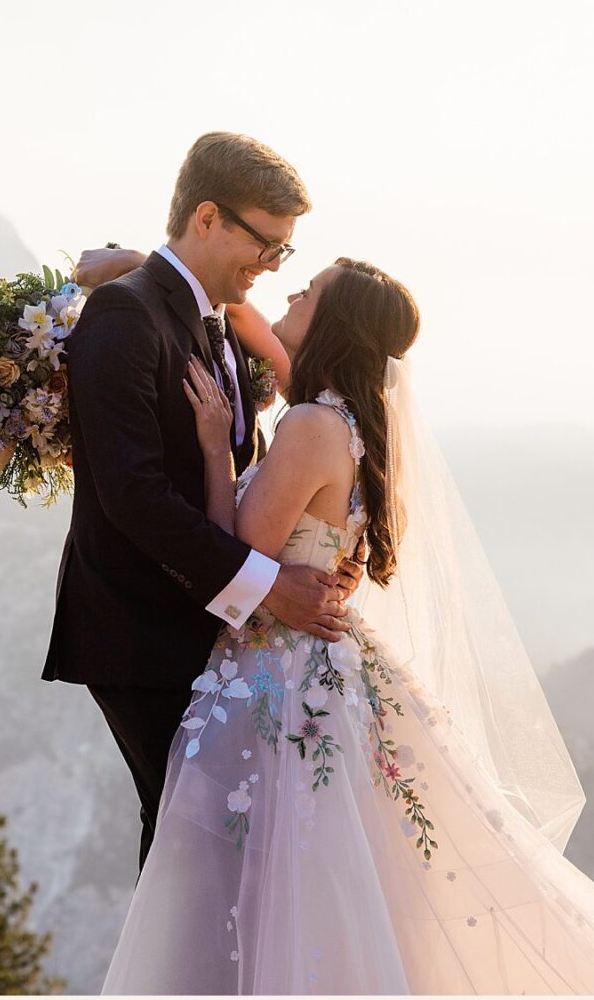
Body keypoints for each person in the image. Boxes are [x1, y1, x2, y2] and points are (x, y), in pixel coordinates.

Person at [96, 256, 594, 995]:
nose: (291, 292)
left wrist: (211, 445)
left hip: (274, 678)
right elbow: (243, 320)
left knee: (243, 885)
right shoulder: (354, 420)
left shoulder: (309, 424)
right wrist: (143, 266)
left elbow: (237, 550)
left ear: (334, 322)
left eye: (309, 290)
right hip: (331, 666)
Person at [42, 133, 368, 877]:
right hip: (140, 630)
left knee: (208, 849)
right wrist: (269, 587)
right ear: (209, 218)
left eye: (286, 253)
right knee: (189, 850)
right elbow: (134, 496)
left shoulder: (213, 316)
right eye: (267, 243)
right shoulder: (125, 316)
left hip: (201, 627)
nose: (272, 265)